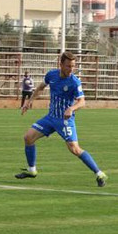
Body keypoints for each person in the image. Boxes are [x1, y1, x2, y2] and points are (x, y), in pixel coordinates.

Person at [16, 51, 107, 187]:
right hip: (51, 117)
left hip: (65, 120)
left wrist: (71, 108)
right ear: (61, 65)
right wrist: (29, 101)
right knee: (28, 137)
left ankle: (99, 173)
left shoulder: (74, 81)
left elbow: (82, 101)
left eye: (73, 66)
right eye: (68, 66)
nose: (71, 69)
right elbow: (41, 87)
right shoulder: (51, 75)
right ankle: (32, 170)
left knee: (74, 149)